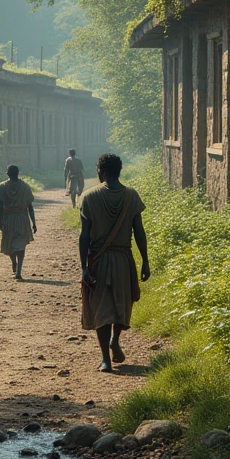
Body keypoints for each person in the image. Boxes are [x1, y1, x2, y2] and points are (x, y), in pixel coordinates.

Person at [79, 153, 150, 372]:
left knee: (101, 308)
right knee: (122, 304)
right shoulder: (132, 196)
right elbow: (139, 232)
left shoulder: (89, 197)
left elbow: (84, 235)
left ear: (100, 171)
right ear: (119, 171)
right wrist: (145, 261)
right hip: (123, 260)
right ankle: (115, 340)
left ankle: (105, 359)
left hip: (98, 260)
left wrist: (83, 266)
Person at [0, 164, 37, 280]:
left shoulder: (2, 186)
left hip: (8, 218)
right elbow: (30, 206)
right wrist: (33, 222)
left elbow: (0, 206)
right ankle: (18, 268)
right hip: (22, 218)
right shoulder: (25, 187)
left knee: (10, 243)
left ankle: (15, 265)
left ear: (8, 173)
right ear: (18, 173)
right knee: (21, 244)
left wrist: (1, 220)